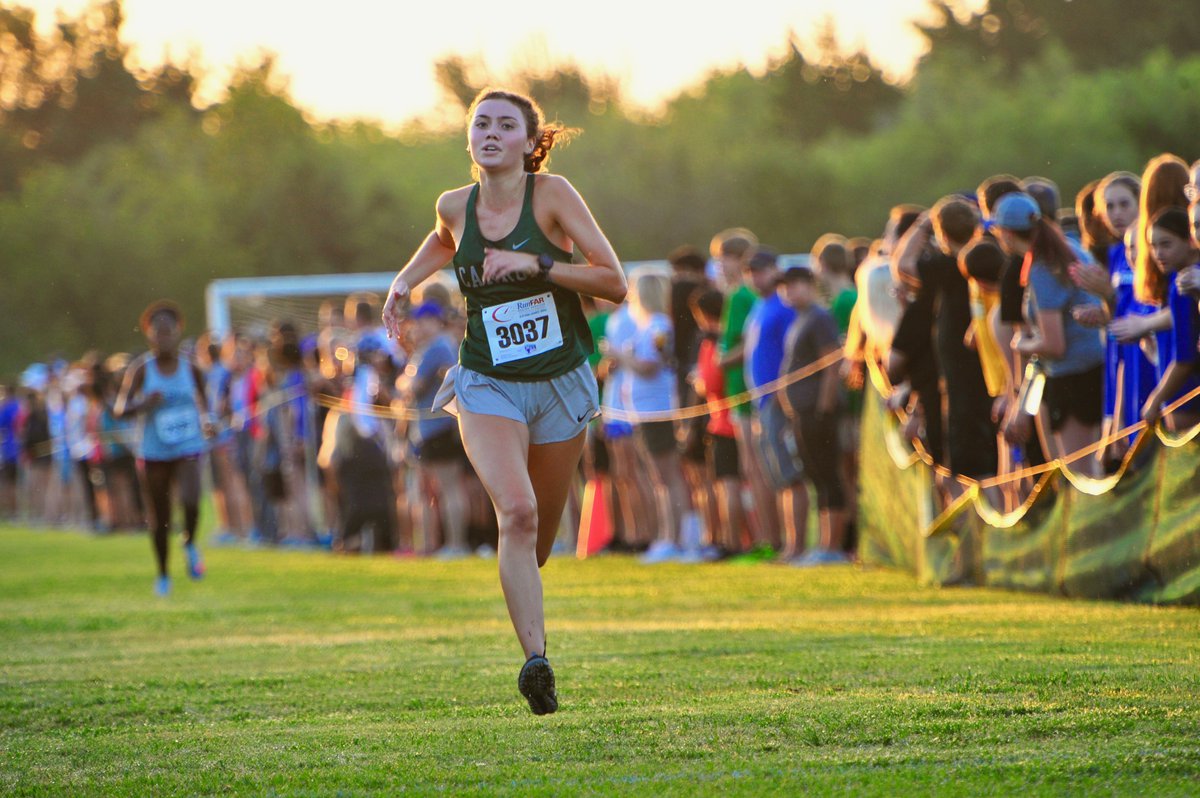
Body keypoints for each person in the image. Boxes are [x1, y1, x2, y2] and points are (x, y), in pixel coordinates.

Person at [380, 88, 626, 715]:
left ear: (528, 141)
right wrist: (405, 281)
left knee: (537, 538)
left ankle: (527, 599)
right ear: (469, 139)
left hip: (561, 381)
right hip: (487, 381)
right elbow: (443, 238)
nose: (490, 132)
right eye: (480, 123)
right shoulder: (454, 205)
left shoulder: (553, 196)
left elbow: (613, 282)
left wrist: (536, 267)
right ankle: (536, 663)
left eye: (505, 125)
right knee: (514, 514)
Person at [992, 192, 1107, 477]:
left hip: (1074, 378)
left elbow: (1054, 344)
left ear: (1006, 233)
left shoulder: (1043, 266)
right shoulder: (1066, 246)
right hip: (1092, 368)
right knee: (1094, 468)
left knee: (1081, 474)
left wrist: (1022, 344)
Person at [114, 301, 215, 596]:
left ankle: (190, 542)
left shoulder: (191, 368)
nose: (164, 338)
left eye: (169, 332)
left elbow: (205, 406)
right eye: (158, 333)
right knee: (160, 517)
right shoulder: (141, 370)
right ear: (149, 335)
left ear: (178, 332)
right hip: (154, 450)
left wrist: (209, 423)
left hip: (188, 444)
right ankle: (162, 574)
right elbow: (120, 409)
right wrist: (143, 404)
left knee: (192, 498)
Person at [778, 266, 849, 564]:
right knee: (815, 476)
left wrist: (824, 408)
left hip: (819, 412)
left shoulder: (819, 318)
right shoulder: (799, 319)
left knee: (829, 476)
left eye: (795, 285)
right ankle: (822, 544)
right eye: (785, 286)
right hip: (802, 413)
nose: (789, 291)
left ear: (809, 285)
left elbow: (831, 365)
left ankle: (833, 546)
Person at [1141, 207, 1200, 432]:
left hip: (1187, 396)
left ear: (1189, 240)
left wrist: (1156, 399)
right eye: (1153, 246)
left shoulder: (1184, 283)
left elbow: (1185, 357)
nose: (1158, 254)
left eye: (1166, 244)